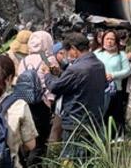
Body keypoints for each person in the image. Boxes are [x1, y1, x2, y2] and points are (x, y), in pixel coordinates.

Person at [42, 31, 108, 159]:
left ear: (73, 49)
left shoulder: (76, 69)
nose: (67, 55)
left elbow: (55, 87)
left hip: (75, 122)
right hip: (94, 120)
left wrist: (47, 74)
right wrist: (60, 74)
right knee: (87, 158)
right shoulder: (99, 65)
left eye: (67, 52)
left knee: (71, 159)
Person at [15, 31, 55, 167]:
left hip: (25, 102)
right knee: (41, 139)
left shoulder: (24, 61)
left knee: (27, 135)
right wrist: (51, 103)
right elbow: (53, 84)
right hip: (42, 103)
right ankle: (34, 164)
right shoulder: (49, 60)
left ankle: (23, 162)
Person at [96, 30, 131, 136]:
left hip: (116, 90)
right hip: (99, 91)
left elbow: (127, 71)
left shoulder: (121, 55)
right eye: (107, 39)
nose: (109, 41)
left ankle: (116, 138)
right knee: (102, 116)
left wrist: (113, 75)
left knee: (115, 116)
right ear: (103, 41)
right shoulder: (97, 54)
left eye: (112, 39)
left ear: (116, 41)